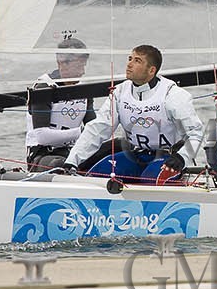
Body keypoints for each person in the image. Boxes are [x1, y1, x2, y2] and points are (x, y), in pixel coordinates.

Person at [63, 44, 205, 182]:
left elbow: (196, 133)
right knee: (94, 176)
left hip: (169, 157)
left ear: (151, 70)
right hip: (136, 154)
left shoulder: (172, 95)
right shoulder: (119, 92)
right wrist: (72, 161)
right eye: (130, 59)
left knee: (151, 178)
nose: (129, 64)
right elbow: (97, 129)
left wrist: (182, 158)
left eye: (137, 61)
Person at [26, 36, 95, 170]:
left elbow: (93, 126)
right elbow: (42, 136)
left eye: (84, 65)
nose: (83, 72)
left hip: (74, 151)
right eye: (78, 66)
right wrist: (80, 132)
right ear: (61, 63)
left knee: (117, 148)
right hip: (44, 154)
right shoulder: (43, 88)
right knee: (59, 164)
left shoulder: (85, 89)